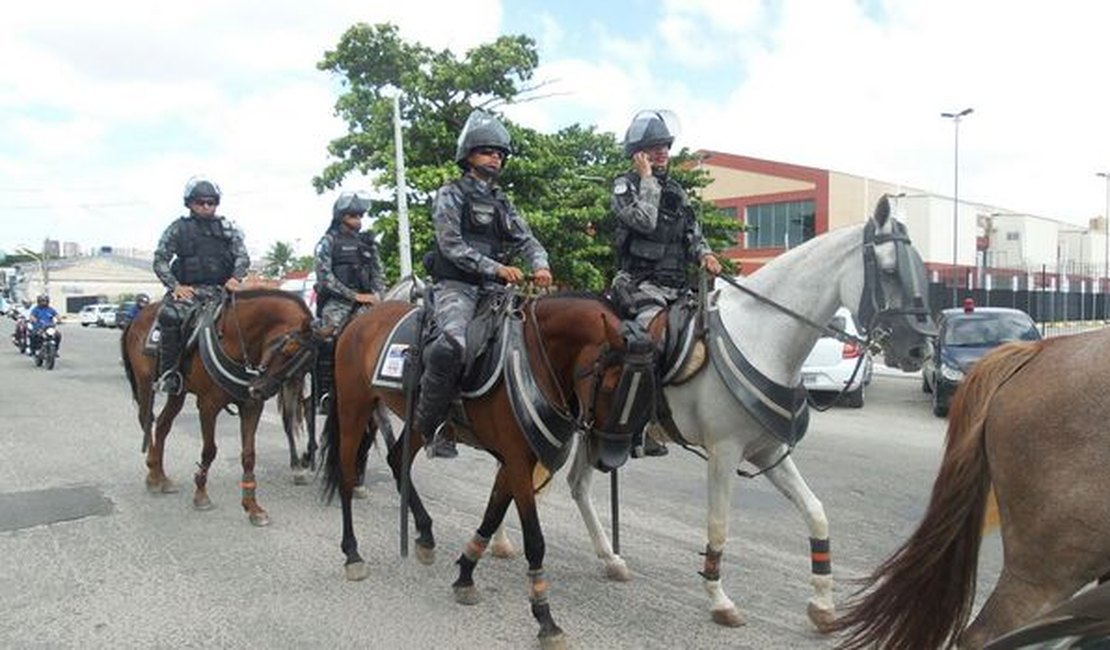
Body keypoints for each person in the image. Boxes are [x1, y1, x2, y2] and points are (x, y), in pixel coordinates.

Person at [417, 109, 553, 458]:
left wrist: (540, 265)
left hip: (495, 291)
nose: (496, 157)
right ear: (469, 155)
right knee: (453, 345)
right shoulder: (451, 193)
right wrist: (496, 268)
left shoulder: (502, 202)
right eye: (488, 151)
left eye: (500, 153)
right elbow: (451, 245)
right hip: (456, 286)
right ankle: (433, 425)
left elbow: (528, 240)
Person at [610, 109, 723, 457]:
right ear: (638, 153)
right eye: (654, 147)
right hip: (640, 287)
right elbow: (643, 221)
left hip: (679, 288)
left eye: (665, 147)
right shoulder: (625, 186)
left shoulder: (677, 192)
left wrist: (705, 254)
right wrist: (646, 179)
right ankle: (637, 425)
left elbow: (693, 234)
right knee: (648, 345)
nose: (662, 153)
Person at [151, 176, 250, 395]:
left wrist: (236, 277)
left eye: (211, 202)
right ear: (189, 203)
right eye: (200, 202)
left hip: (222, 292)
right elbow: (160, 259)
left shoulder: (228, 229)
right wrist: (175, 286)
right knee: (169, 316)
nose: (206, 206)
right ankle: (169, 374)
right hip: (190, 292)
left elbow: (242, 257)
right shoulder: (178, 229)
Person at [312, 190, 384, 413]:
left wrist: (378, 297)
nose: (358, 220)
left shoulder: (369, 244)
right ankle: (323, 393)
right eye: (353, 216)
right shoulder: (328, 242)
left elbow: (379, 273)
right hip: (338, 302)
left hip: (367, 302)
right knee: (327, 339)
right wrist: (354, 296)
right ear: (341, 216)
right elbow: (325, 277)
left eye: (360, 216)